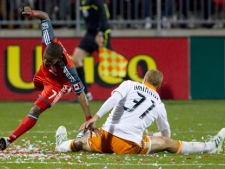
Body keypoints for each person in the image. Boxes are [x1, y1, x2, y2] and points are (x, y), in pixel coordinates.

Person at [53, 69, 225, 154]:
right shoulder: (159, 103)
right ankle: (210, 147)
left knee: (81, 141)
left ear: (144, 79)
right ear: (159, 86)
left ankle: (62, 145)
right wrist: (152, 135)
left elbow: (114, 99)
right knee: (167, 142)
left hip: (107, 139)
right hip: (130, 146)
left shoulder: (129, 84)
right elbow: (167, 134)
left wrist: (96, 116)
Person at [0, 6, 96, 151]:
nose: (46, 61)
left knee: (36, 109)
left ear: (58, 59)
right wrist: (32, 13)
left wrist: (89, 119)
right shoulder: (48, 39)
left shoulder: (68, 69)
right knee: (36, 84)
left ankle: (8, 140)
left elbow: (81, 94)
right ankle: (44, 95)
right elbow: (45, 16)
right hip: (43, 74)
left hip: (58, 84)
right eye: (45, 58)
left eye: (50, 61)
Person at [71, 0, 113, 102]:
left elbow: (104, 16)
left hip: (100, 34)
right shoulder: (83, 2)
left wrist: (100, 33)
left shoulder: (95, 1)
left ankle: (135, 90)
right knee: (76, 60)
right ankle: (85, 94)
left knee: (113, 66)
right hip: (90, 34)